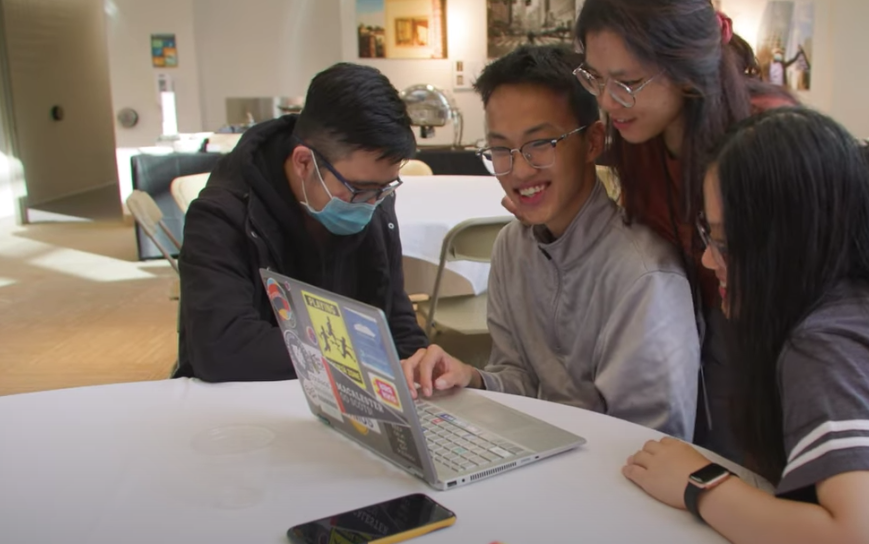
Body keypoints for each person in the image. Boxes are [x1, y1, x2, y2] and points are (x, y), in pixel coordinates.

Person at [535, 0, 797, 461]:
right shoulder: (638, 133)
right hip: (691, 322)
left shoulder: (768, 134)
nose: (607, 102)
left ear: (686, 67)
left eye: (628, 82)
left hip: (774, 335)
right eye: (596, 77)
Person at [402, 46, 700, 440]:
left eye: (540, 144)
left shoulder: (643, 276)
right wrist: (470, 377)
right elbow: (521, 381)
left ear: (592, 142)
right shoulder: (512, 246)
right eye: (500, 149)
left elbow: (652, 443)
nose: (519, 170)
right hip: (538, 453)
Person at [622, 107, 869, 544]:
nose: (708, 260)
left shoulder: (823, 346)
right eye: (707, 234)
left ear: (790, 242)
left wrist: (701, 484)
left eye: (725, 243)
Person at [174, 63, 427, 382]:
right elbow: (223, 348)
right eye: (358, 189)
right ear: (304, 162)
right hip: (250, 397)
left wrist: (420, 362)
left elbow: (395, 319)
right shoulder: (223, 215)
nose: (372, 203)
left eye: (384, 188)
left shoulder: (373, 197)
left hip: (346, 393)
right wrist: (364, 349)